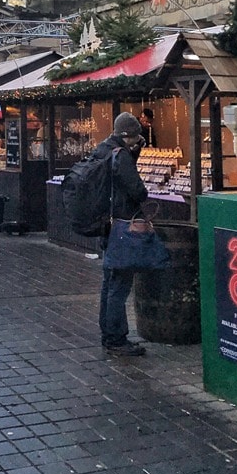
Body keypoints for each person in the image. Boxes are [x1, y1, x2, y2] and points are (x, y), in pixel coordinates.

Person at [97, 112, 149, 357]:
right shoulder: (122, 156)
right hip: (121, 226)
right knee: (119, 284)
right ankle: (116, 338)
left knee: (109, 282)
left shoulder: (103, 150)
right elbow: (137, 190)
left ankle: (108, 333)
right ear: (129, 135)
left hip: (105, 225)